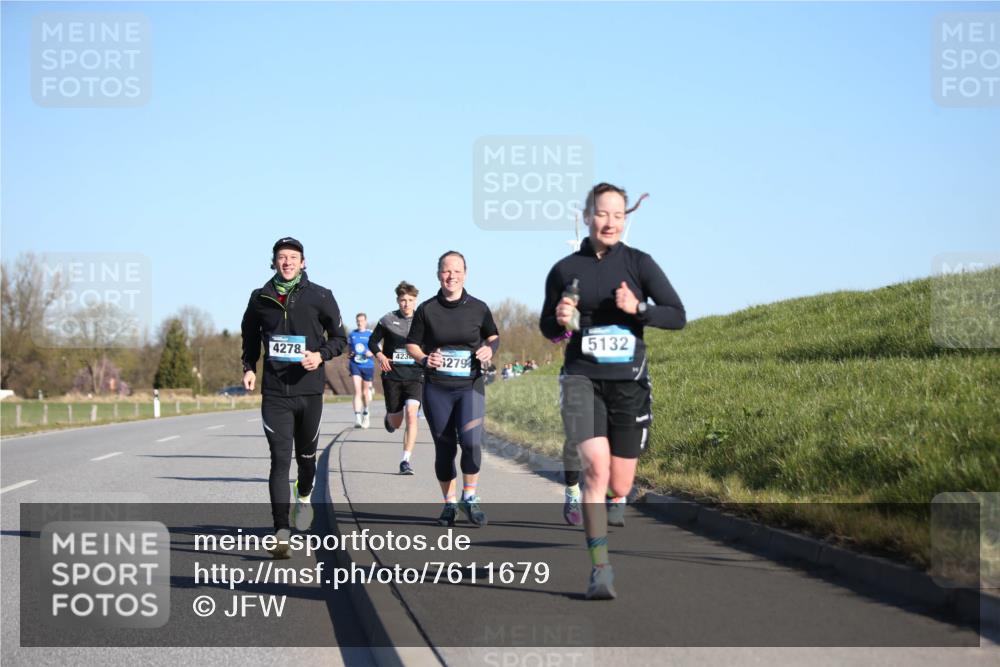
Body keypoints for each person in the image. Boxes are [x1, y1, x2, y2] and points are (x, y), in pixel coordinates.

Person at [540, 183, 686, 599]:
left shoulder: (640, 264)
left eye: (618, 215)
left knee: (620, 483)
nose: (610, 222)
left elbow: (677, 315)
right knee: (595, 471)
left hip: (629, 383)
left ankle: (615, 500)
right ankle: (600, 569)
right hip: (581, 378)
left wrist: (637, 309)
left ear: (626, 220)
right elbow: (548, 329)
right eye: (602, 214)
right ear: (587, 216)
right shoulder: (565, 268)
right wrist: (560, 318)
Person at [241, 237, 347, 558]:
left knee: (306, 459)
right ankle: (280, 531)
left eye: (293, 257)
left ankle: (303, 496)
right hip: (275, 393)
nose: (287, 262)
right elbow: (249, 338)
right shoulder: (260, 298)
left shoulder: (320, 296)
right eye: (281, 257)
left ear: (303, 262)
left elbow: (340, 338)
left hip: (309, 391)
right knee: (279, 460)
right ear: (273, 262)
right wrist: (249, 368)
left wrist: (320, 355)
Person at [406, 251, 499, 528]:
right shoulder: (427, 309)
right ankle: (449, 505)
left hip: (470, 387)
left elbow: (493, 336)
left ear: (465, 274)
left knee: (470, 442)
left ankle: (469, 498)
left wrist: (488, 349)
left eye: (457, 271)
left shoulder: (479, 308)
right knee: (445, 448)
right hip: (438, 388)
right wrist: (424, 358)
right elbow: (412, 344)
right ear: (438, 275)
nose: (451, 276)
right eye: (446, 271)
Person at [369, 281, 423, 475]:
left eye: (410, 300)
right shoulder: (388, 320)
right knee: (396, 422)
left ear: (416, 301)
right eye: (402, 300)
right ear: (397, 301)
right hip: (392, 376)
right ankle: (389, 418)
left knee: (411, 414)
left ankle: (405, 460)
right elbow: (372, 341)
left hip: (416, 375)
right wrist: (380, 355)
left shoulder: (423, 320)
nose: (406, 304)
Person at [348, 313, 375, 428]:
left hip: (368, 365)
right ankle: (358, 418)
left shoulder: (370, 334)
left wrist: (371, 352)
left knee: (365, 393)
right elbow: (349, 350)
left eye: (362, 320)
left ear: (365, 321)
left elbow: (379, 348)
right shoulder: (352, 334)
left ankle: (366, 412)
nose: (360, 323)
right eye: (358, 321)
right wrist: (351, 354)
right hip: (355, 364)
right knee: (357, 391)